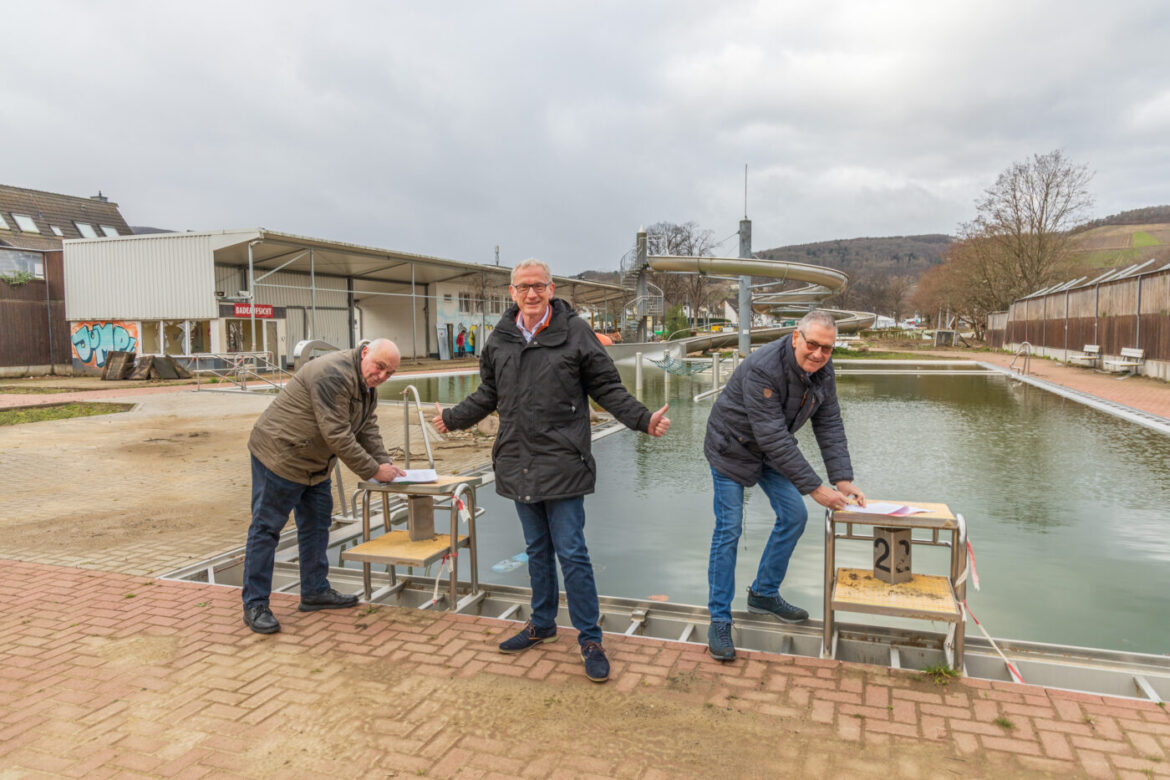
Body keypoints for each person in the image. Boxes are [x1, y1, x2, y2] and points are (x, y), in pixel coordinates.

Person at [432, 259, 670, 683]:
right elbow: (489, 392)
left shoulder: (575, 332)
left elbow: (606, 388)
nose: (531, 294)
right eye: (523, 287)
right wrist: (452, 418)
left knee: (572, 552)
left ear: (551, 289)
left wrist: (642, 419)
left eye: (538, 286)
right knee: (536, 550)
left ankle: (590, 639)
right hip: (518, 461)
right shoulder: (500, 338)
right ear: (512, 293)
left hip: (562, 462)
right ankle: (541, 623)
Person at [703, 310, 865, 661]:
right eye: (813, 345)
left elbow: (830, 422)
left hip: (769, 448)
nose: (819, 354)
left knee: (794, 516)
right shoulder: (764, 368)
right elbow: (774, 436)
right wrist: (816, 488)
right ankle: (719, 618)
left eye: (828, 348)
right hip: (731, 446)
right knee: (729, 529)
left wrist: (842, 479)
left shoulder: (822, 370)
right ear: (796, 337)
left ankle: (763, 593)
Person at [241, 339, 406, 634]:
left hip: (314, 464)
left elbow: (367, 427)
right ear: (365, 352)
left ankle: (315, 591)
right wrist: (372, 470)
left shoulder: (366, 385)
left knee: (317, 525)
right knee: (266, 529)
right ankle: (255, 604)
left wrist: (387, 465)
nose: (382, 376)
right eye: (380, 367)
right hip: (280, 455)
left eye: (389, 373)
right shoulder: (333, 373)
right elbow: (338, 434)